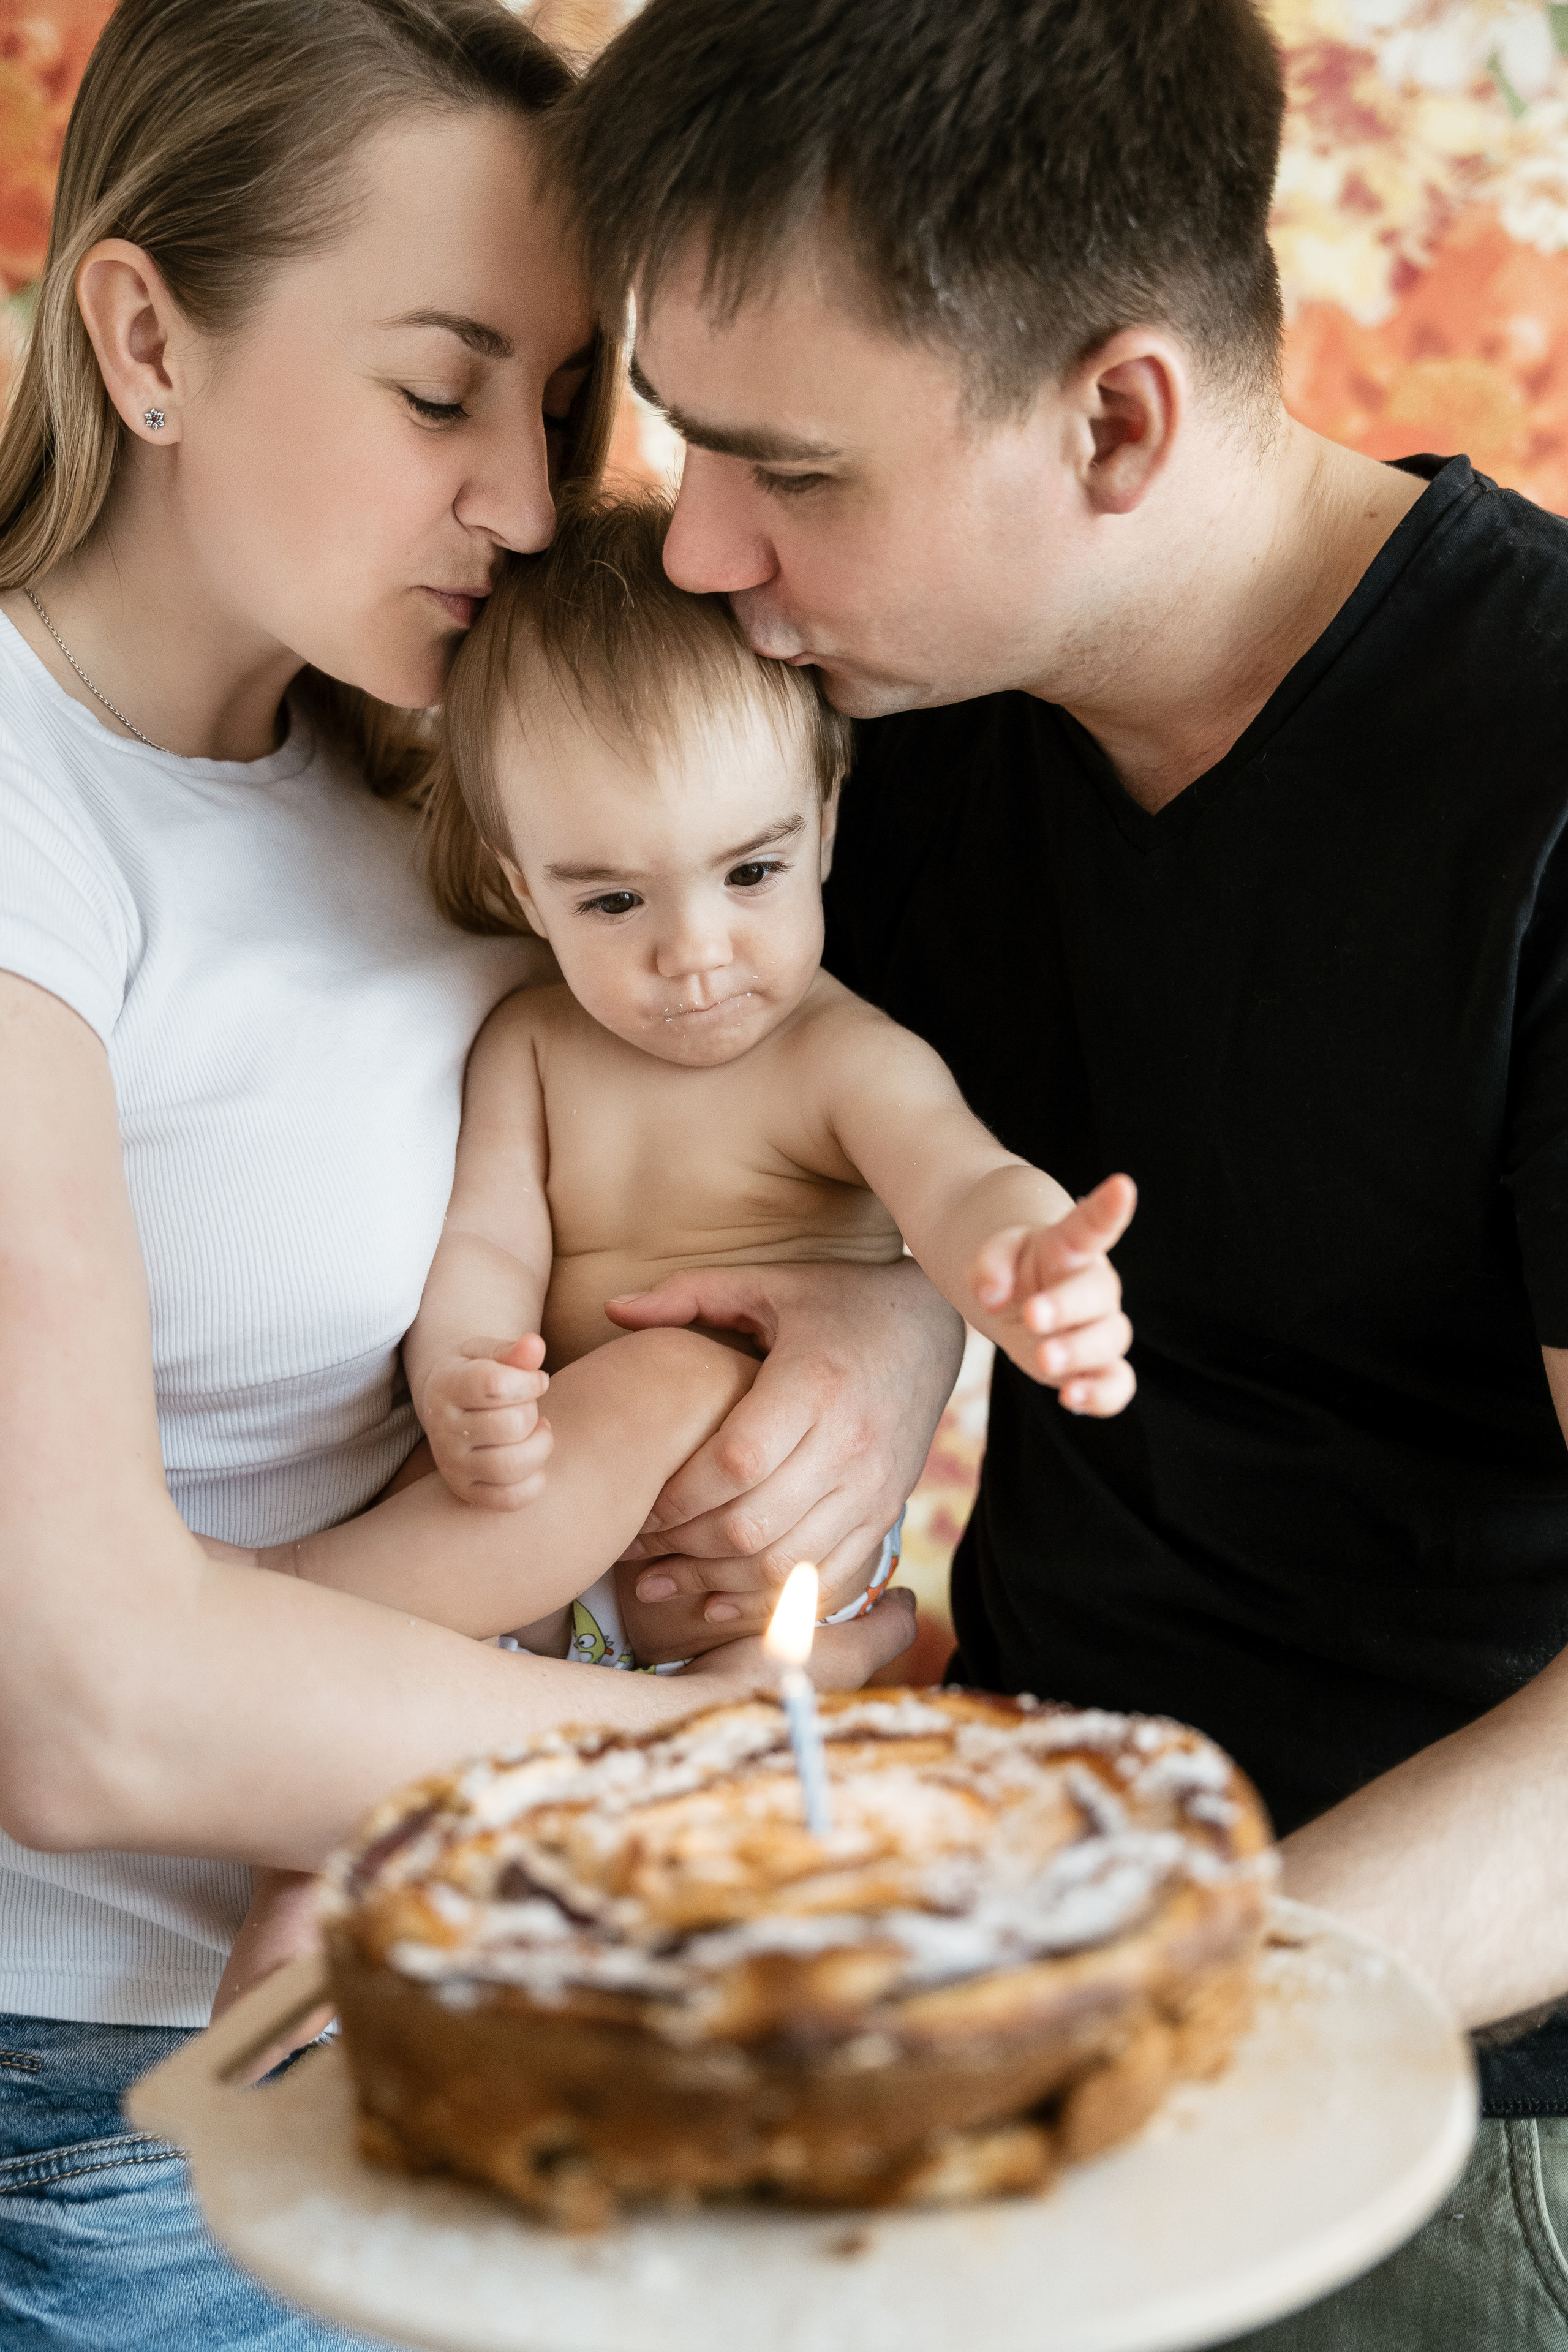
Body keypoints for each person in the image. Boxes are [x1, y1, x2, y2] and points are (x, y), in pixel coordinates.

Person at [556, 0, 1568, 2342]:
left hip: (1442, 2100)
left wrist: (1142, 2009)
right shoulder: (894, 702)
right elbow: (885, 1123)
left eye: (788, 471)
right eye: (683, 440)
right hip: (997, 1908)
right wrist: (878, 1305)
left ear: (1117, 418)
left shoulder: (1538, 787)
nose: (698, 545)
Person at [0, 3, 955, 2344]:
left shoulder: (441, 762)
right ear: (147, 341)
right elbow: (82, 1713)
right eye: (442, 394)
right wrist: (724, 1773)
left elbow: (740, 1095)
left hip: (485, 1995)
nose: (529, 506)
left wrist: (878, 1316)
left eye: (561, 405)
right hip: (123, 2106)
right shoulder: (29, 815)